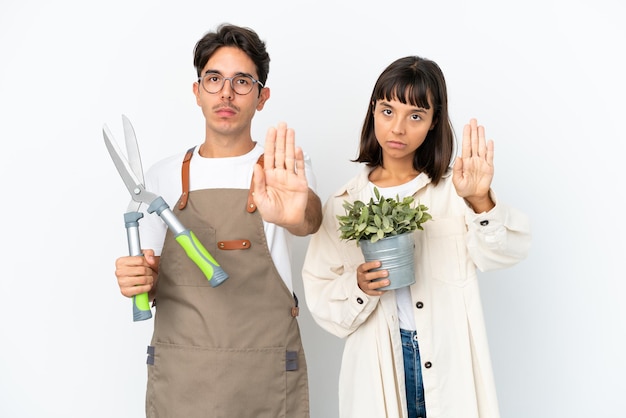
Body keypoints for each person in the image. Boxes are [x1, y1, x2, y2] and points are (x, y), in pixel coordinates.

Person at [301, 56, 531, 418]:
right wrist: (359, 287)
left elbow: (505, 254)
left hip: (447, 356)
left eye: (415, 116)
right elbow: (321, 299)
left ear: (433, 121)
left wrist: (479, 201)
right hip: (378, 366)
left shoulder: (455, 190)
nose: (398, 129)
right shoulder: (344, 203)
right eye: (388, 111)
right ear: (373, 111)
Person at [113, 23, 322, 418]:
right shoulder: (162, 176)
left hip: (265, 376)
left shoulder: (284, 167)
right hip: (183, 380)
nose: (226, 93)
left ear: (262, 98)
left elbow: (308, 219)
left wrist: (298, 213)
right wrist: (137, 278)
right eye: (214, 79)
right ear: (197, 91)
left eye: (243, 81)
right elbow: (155, 274)